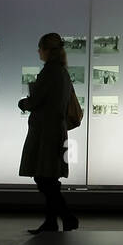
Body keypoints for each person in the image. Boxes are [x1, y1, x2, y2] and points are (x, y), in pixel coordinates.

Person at [18, 32, 79, 233]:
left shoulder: (50, 72)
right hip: (55, 129)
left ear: (46, 50)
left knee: (44, 178)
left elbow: (36, 101)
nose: (38, 52)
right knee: (49, 177)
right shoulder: (62, 72)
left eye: (40, 48)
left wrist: (23, 103)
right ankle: (53, 222)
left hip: (46, 132)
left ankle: (66, 217)